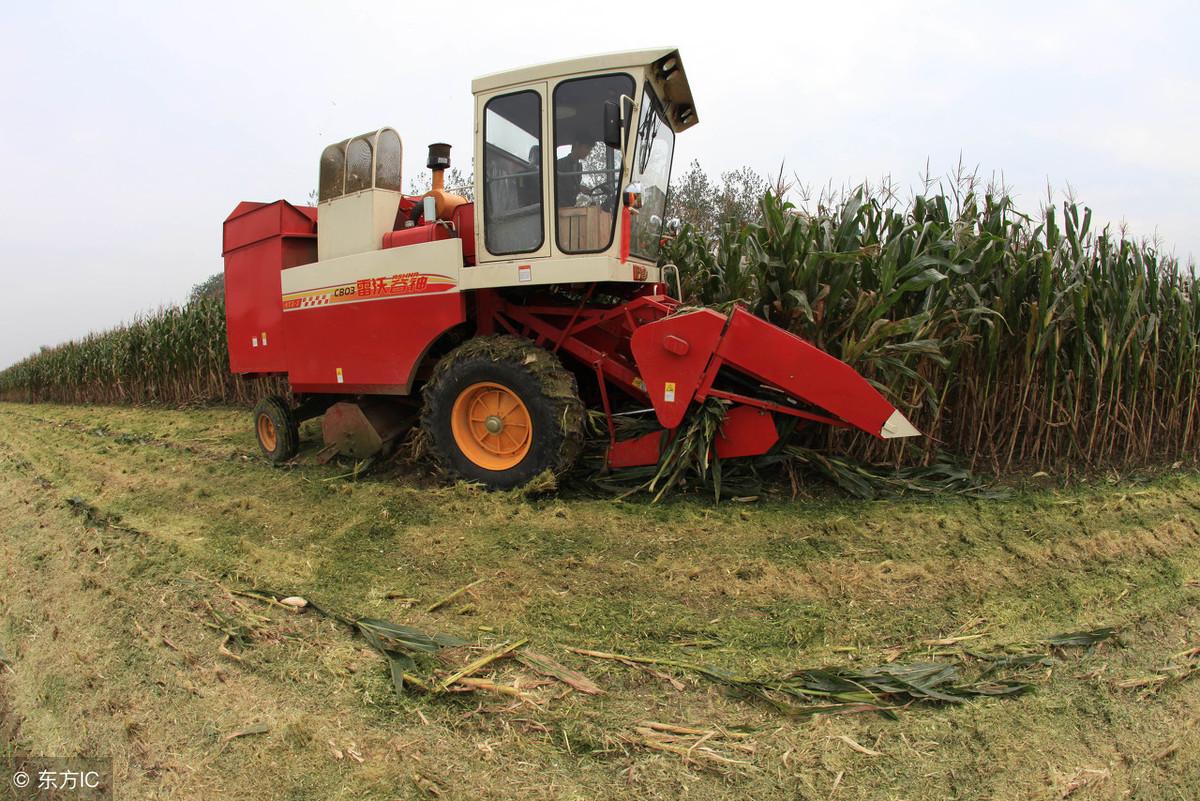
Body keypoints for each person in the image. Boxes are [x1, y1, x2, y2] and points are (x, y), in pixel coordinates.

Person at [556, 137, 594, 208]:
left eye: (590, 149)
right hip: (559, 206)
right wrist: (578, 188)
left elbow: (574, 186)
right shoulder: (559, 164)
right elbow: (558, 187)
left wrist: (580, 189)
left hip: (571, 205)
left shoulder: (579, 167)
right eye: (587, 148)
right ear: (577, 145)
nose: (588, 152)